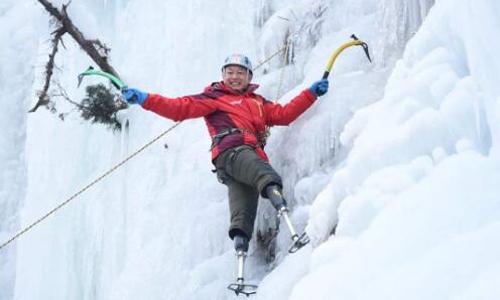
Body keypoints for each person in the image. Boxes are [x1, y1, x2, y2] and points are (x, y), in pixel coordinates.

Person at [122, 54, 328, 255]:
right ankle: (293, 230)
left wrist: (311, 94)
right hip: (232, 151)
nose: (234, 77)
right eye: (229, 72)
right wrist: (145, 99)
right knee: (266, 176)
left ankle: (240, 266)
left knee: (243, 213)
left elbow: (284, 115)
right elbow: (179, 108)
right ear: (223, 75)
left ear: (249, 77)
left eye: (240, 73)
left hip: (239, 161)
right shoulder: (214, 98)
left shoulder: (258, 103)